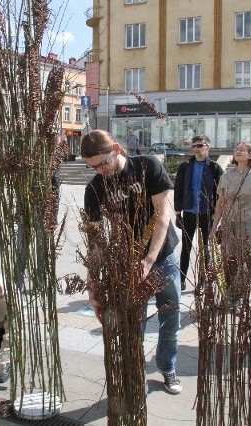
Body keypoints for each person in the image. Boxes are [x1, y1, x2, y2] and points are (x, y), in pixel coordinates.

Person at [81, 129, 183, 395]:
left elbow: (163, 216)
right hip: (126, 264)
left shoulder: (147, 166)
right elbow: (94, 241)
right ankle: (135, 373)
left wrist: (149, 260)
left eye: (103, 163)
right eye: (93, 167)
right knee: (132, 323)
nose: (100, 170)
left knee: (170, 319)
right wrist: (93, 281)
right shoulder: (94, 188)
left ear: (116, 149)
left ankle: (167, 366)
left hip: (163, 257)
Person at [211, 142, 251, 305]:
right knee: (228, 260)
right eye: (236, 149)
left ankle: (236, 296)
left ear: (250, 155)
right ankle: (228, 294)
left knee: (246, 261)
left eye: (242, 150)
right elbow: (221, 202)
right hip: (228, 223)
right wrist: (214, 225)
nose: (238, 152)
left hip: (248, 223)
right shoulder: (226, 176)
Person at [173, 135, 224, 291]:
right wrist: (177, 212)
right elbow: (178, 188)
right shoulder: (185, 166)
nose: (196, 149)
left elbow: (220, 193)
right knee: (186, 247)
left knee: (205, 248)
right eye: (194, 146)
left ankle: (203, 280)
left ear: (207, 147)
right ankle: (181, 280)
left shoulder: (215, 168)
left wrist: (217, 213)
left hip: (206, 213)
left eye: (200, 145)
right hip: (188, 211)